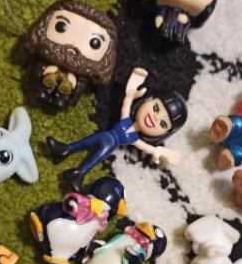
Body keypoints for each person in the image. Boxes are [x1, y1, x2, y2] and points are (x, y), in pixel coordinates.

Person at [46, 67, 186, 191]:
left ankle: (79, 172)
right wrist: (130, 93)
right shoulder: (126, 118)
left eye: (163, 124)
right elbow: (126, 104)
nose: (155, 118)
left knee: (96, 157)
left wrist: (157, 150)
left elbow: (145, 147)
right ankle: (64, 149)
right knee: (85, 142)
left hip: (110, 144)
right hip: (106, 135)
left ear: (164, 134)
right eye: (156, 108)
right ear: (148, 100)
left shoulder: (135, 138)